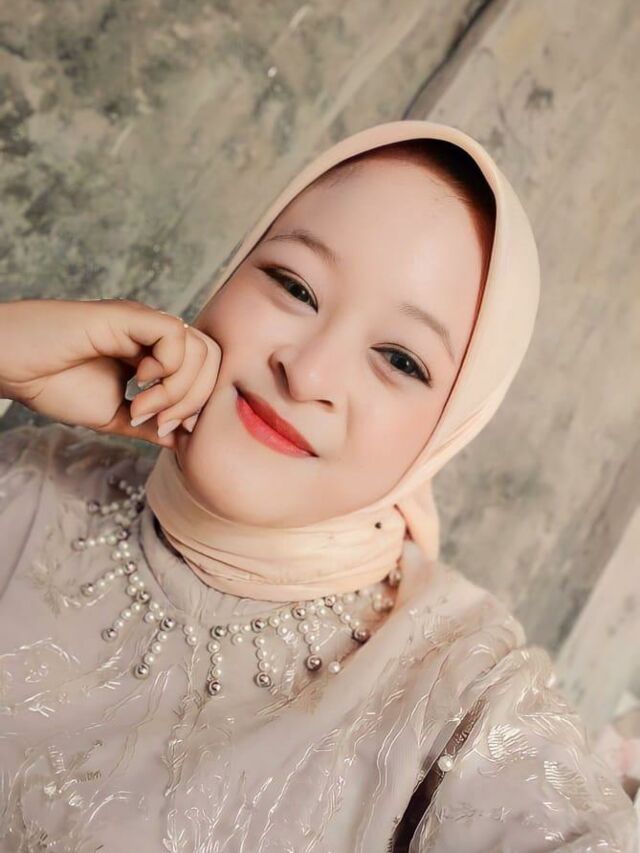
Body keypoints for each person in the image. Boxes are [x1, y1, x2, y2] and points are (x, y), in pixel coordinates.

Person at [0, 120, 636, 852]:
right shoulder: (29, 482)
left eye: (400, 360)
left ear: (448, 431)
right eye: (294, 286)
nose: (306, 373)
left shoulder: (463, 691)